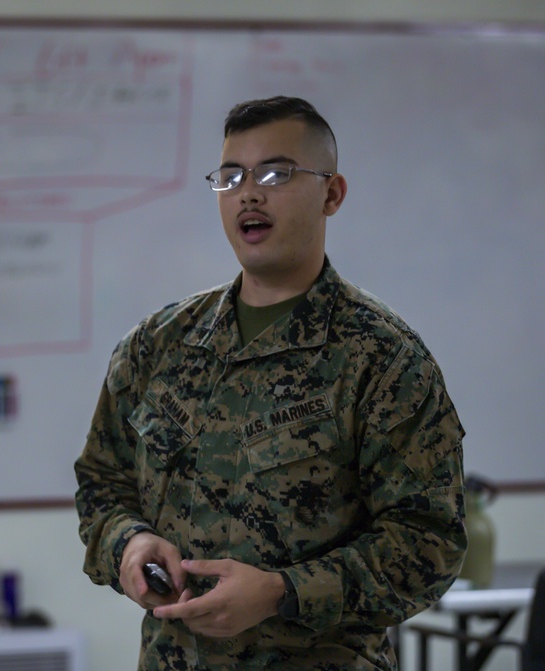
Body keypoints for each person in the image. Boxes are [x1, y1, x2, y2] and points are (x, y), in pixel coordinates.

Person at [73, 96, 466, 670]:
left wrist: (285, 593)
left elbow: (430, 543)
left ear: (332, 194)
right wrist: (129, 543)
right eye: (230, 177)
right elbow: (102, 483)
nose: (248, 193)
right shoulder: (158, 345)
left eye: (276, 173)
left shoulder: (382, 358)